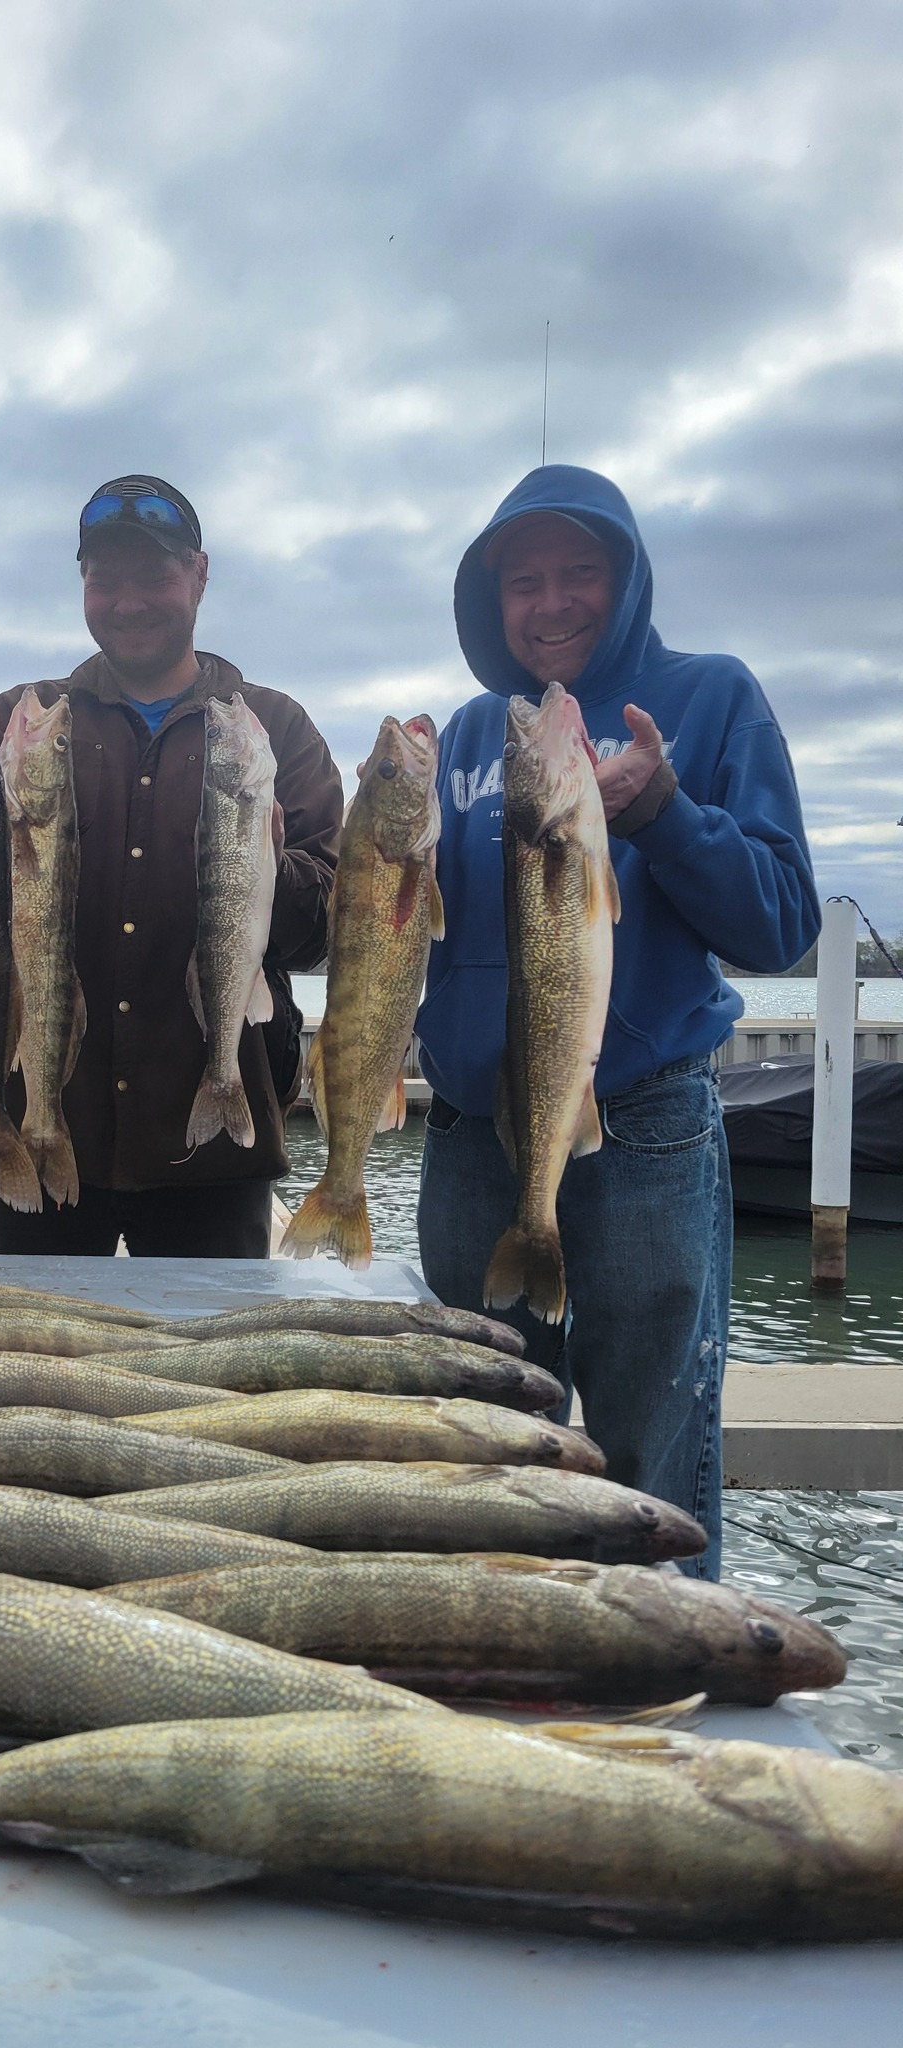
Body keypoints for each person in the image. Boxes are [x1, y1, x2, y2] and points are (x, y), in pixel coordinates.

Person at [415, 464, 820, 1577]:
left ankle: (669, 1694)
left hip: (643, 1132)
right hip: (466, 1145)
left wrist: (668, 814)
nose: (552, 604)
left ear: (628, 577)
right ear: (490, 604)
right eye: (524, 582)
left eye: (580, 572)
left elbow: (782, 920)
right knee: (475, 1447)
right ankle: (499, 1687)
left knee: (651, 1454)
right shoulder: (462, 736)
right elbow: (418, 929)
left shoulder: (709, 697)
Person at [0, 475, 342, 1258]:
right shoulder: (23, 721)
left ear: (201, 575)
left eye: (155, 576)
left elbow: (328, 934)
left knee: (207, 1377)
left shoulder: (273, 728)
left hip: (212, 1155)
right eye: (105, 580)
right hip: (36, 1130)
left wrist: (274, 872)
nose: (128, 601)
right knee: (31, 1375)